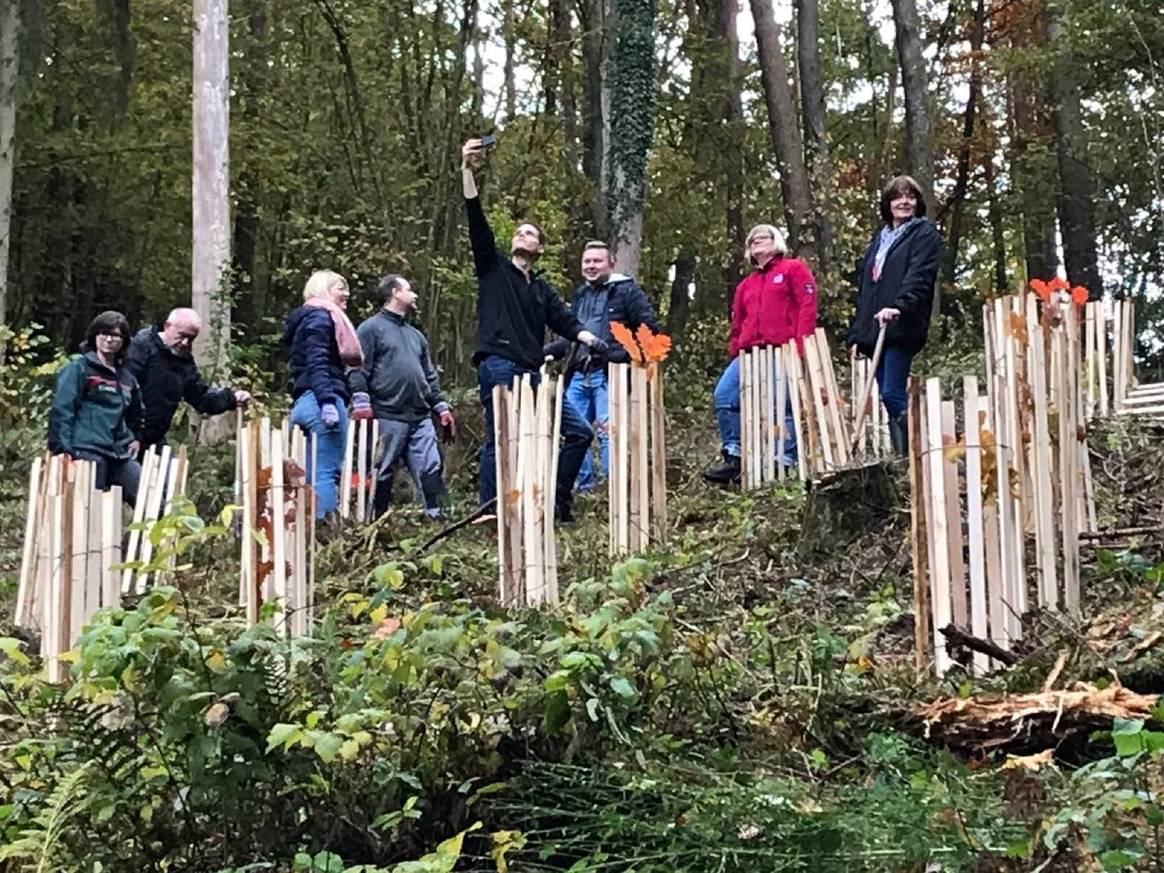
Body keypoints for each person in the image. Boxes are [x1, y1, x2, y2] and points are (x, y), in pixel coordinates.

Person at [461, 137, 609, 522]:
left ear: (540, 248)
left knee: (578, 432)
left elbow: (565, 320)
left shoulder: (540, 289)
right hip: (498, 364)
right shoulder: (493, 269)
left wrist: (591, 339)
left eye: (530, 233)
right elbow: (476, 221)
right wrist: (467, 172)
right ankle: (490, 508)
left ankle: (557, 500)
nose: (522, 236)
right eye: (519, 232)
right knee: (502, 436)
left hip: (531, 371)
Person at [704, 224, 818, 483]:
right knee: (725, 395)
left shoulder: (793, 269)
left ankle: (785, 460)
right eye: (753, 239)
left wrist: (801, 346)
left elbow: (807, 306)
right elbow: (737, 322)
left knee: (783, 405)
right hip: (748, 352)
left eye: (763, 237)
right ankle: (734, 455)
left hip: (782, 348)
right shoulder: (746, 284)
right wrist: (735, 351)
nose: (757, 241)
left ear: (776, 241)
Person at [544, 240, 660, 491]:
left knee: (610, 432)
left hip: (610, 373)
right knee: (575, 431)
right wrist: (546, 353)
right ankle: (584, 486)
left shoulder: (627, 292)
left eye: (597, 261)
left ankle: (612, 488)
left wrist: (628, 357)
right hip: (578, 373)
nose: (591, 266)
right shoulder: (580, 295)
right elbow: (570, 333)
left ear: (610, 263)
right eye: (587, 261)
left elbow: (648, 327)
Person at [845, 175, 942, 454]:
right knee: (888, 397)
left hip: (901, 325)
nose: (904, 202)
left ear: (918, 202)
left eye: (910, 196)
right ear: (888, 204)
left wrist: (900, 306)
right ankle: (904, 457)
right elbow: (866, 288)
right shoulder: (880, 240)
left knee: (891, 392)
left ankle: (921, 451)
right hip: (876, 329)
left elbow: (920, 276)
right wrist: (856, 333)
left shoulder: (924, 234)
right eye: (898, 197)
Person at [350, 274, 456, 520]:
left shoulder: (416, 336)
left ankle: (441, 519)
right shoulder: (370, 329)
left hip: (420, 416)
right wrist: (361, 397)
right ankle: (374, 523)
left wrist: (440, 406)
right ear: (395, 292)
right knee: (381, 469)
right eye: (410, 289)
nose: (415, 294)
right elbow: (357, 368)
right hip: (387, 413)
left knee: (431, 468)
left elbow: (429, 376)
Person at [284, 270, 363, 519]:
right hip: (321, 402)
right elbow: (318, 362)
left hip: (302, 404)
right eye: (340, 287)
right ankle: (322, 534)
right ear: (323, 289)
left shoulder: (304, 320)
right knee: (325, 474)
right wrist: (327, 401)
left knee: (304, 476)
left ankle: (300, 536)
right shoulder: (322, 318)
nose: (347, 293)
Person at [47, 311, 144, 505]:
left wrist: (135, 437)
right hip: (86, 450)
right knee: (89, 506)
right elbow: (63, 410)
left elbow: (136, 411)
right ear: (94, 336)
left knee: (147, 497)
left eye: (115, 335)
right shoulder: (79, 368)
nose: (109, 339)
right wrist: (62, 450)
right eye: (103, 333)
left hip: (119, 452)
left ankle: (138, 536)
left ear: (124, 341)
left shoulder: (127, 377)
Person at [126, 307, 252, 452]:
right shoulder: (142, 346)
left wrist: (232, 398)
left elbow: (201, 397)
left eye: (191, 338)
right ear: (167, 326)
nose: (185, 342)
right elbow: (125, 389)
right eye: (181, 335)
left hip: (154, 438)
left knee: (169, 472)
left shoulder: (184, 361)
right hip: (127, 436)